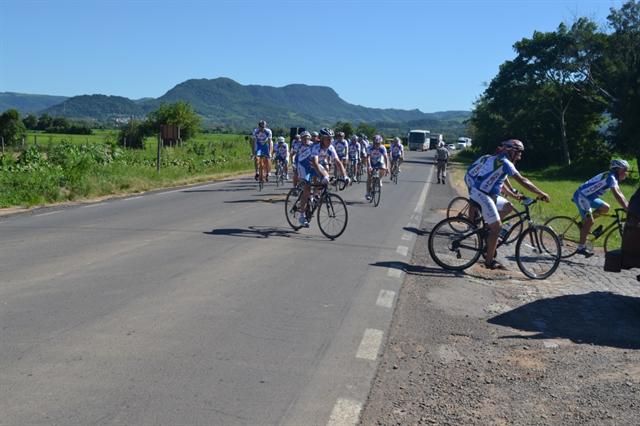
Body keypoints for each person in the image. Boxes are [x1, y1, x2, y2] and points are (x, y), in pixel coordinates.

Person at [469, 139, 550, 270]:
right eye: (518, 153)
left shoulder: (498, 158)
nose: (520, 156)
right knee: (497, 227)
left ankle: (489, 234)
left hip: (487, 194)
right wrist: (541, 193)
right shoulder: (506, 162)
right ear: (511, 151)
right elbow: (522, 180)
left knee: (508, 207)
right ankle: (489, 261)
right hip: (482, 194)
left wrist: (515, 195)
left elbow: (499, 183)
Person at [572, 159, 630, 257]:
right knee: (590, 221)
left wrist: (628, 206)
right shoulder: (611, 177)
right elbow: (617, 195)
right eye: (624, 170)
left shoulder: (612, 176)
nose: (626, 173)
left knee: (605, 208)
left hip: (590, 197)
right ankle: (581, 247)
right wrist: (627, 208)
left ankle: (584, 223)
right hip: (582, 197)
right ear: (617, 169)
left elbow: (620, 193)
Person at [366, 135, 390, 201]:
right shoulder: (369, 147)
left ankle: (379, 179)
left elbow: (385, 157)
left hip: (379, 161)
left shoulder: (382, 148)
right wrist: (369, 166)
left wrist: (387, 167)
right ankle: (368, 192)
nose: (377, 145)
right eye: (375, 143)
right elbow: (367, 157)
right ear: (373, 143)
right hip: (371, 161)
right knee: (369, 177)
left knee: (383, 168)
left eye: (378, 143)